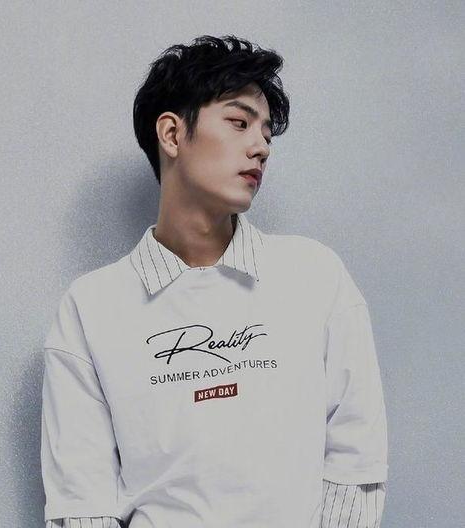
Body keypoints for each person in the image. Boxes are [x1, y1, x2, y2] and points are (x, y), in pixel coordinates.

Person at [41, 35, 388, 528]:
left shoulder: (314, 276)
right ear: (172, 134)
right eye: (239, 123)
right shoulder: (91, 308)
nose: (260, 147)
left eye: (266, 134)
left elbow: (357, 462)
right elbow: (82, 504)